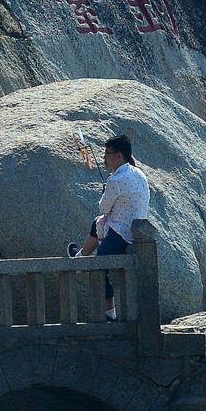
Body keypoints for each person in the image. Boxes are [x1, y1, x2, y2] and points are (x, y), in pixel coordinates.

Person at [66, 133, 150, 320]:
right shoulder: (139, 173)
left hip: (122, 232)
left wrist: (106, 191)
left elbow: (104, 206)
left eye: (107, 153)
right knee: (98, 223)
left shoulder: (116, 180)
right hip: (135, 227)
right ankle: (80, 257)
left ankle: (110, 313)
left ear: (118, 156)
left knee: (99, 266)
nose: (104, 157)